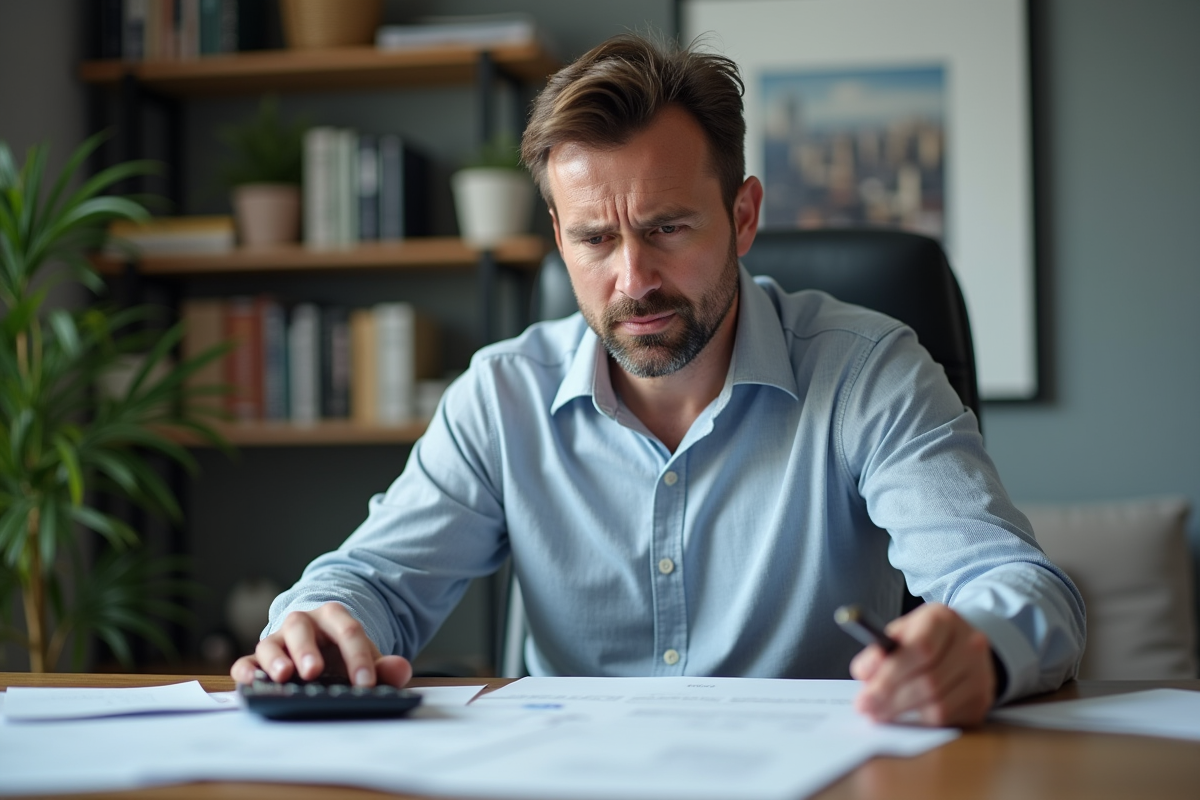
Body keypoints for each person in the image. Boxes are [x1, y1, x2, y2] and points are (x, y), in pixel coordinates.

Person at [232, 34, 1085, 727]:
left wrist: (975, 649)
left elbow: (1016, 587)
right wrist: (317, 625)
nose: (634, 279)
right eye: (596, 239)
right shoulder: (501, 397)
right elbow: (372, 581)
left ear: (743, 216)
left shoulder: (870, 373)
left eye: (668, 226)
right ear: (559, 238)